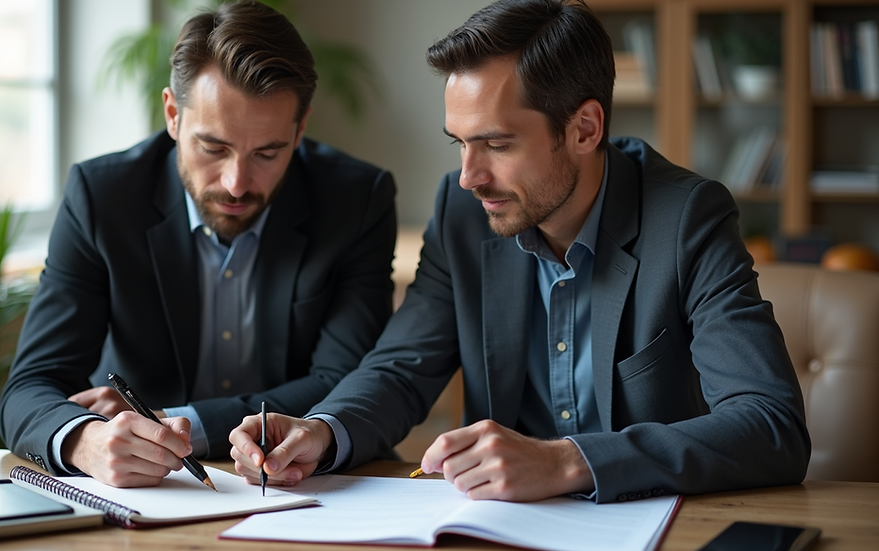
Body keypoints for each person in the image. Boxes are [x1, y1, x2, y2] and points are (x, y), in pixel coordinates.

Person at [229, 0, 810, 503]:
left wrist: (566, 462)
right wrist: (324, 431)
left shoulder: (687, 219)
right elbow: (401, 369)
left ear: (585, 128)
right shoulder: (463, 214)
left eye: (497, 144)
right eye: (459, 144)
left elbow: (770, 425)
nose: (468, 177)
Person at [0, 0, 397, 488]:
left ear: (301, 128)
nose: (235, 183)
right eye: (213, 148)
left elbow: (347, 381)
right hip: (153, 491)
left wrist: (184, 420)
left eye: (268, 153)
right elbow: (29, 387)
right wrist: (85, 440)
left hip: (306, 482)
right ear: (172, 114)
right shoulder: (103, 198)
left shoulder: (355, 200)